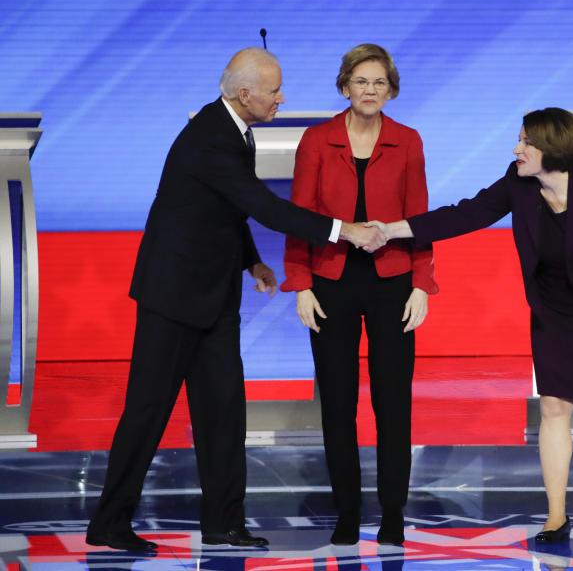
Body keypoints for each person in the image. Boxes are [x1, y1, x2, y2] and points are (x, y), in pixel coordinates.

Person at [85, 47, 385, 552]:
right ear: (244, 94)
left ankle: (223, 523)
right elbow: (261, 203)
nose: (281, 99)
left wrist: (251, 260)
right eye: (274, 91)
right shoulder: (209, 137)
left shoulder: (233, 129)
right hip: (172, 295)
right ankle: (109, 522)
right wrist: (343, 230)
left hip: (214, 295)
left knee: (224, 409)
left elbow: (226, 206)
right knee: (148, 410)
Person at [370, 107, 573, 546]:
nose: (516, 149)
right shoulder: (519, 185)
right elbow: (465, 214)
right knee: (555, 407)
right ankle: (556, 516)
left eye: (526, 142)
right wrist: (393, 231)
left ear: (553, 149)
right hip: (553, 312)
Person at [280, 44, 437, 546]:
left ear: (391, 89)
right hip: (331, 282)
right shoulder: (316, 140)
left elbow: (419, 217)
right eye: (361, 81)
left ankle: (393, 512)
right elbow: (298, 218)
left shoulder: (407, 141)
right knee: (338, 403)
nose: (370, 90)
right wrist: (300, 283)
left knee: (394, 403)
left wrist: (422, 282)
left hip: (392, 283)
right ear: (344, 85)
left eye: (379, 82)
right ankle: (347, 511)